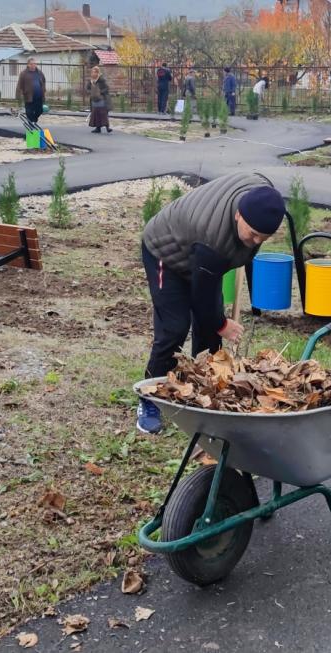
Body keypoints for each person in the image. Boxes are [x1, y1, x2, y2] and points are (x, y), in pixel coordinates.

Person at [136, 172, 286, 433]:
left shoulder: (261, 195)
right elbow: (202, 299)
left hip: (200, 254)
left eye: (264, 237)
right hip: (165, 253)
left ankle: (202, 391)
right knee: (174, 327)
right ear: (238, 214)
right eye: (253, 235)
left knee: (209, 332)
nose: (257, 242)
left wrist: (216, 323)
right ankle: (150, 401)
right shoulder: (214, 237)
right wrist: (222, 323)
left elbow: (210, 289)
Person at [18, 57, 47, 124]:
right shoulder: (24, 73)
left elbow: (44, 81)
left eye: (34, 64)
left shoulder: (39, 72)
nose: (33, 65)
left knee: (40, 110)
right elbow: (20, 84)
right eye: (31, 64)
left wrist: (44, 91)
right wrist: (20, 94)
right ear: (28, 64)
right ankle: (31, 123)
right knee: (29, 112)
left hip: (39, 96)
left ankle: (34, 120)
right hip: (29, 96)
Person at [86, 66, 112, 134]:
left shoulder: (101, 80)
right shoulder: (91, 81)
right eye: (92, 72)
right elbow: (87, 88)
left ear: (97, 73)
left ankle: (107, 127)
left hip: (102, 99)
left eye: (94, 72)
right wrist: (91, 92)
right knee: (95, 113)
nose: (93, 74)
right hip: (94, 99)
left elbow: (106, 88)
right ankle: (98, 128)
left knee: (103, 113)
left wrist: (100, 92)